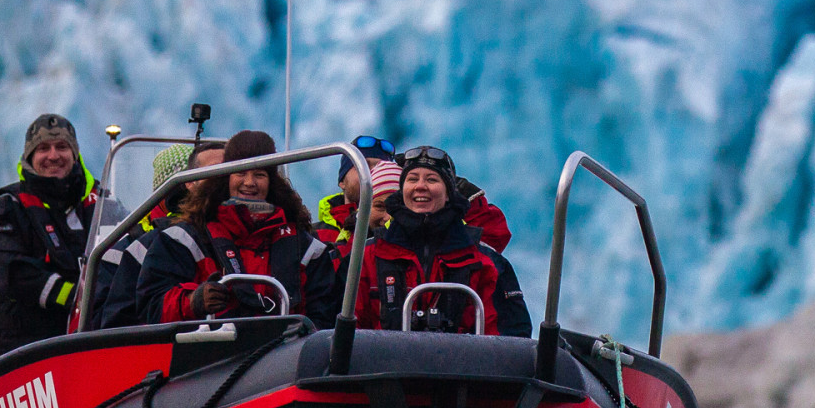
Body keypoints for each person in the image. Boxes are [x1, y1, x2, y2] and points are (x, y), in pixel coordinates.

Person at [102, 129, 339, 328]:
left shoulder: (306, 248)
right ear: (224, 179)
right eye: (240, 172)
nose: (249, 182)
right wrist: (193, 302)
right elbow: (151, 306)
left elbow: (324, 320)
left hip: (283, 368)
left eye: (259, 174)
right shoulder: (185, 239)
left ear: (272, 182)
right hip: (205, 365)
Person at [355, 146, 530, 337]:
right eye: (412, 179)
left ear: (449, 194)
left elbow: (509, 339)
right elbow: (345, 334)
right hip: (384, 366)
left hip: (462, 365)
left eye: (432, 179)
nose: (420, 186)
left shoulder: (485, 263)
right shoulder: (366, 257)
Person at [0, 114, 101, 360]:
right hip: (23, 353)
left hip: (86, 347)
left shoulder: (99, 203)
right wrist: (76, 297)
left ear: (75, 154)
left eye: (62, 147)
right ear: (30, 157)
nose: (53, 156)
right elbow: (10, 272)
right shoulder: (9, 207)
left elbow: (130, 250)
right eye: (43, 148)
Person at [93, 140, 226, 323]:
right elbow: (109, 322)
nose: (188, 200)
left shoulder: (220, 233)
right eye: (179, 192)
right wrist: (191, 302)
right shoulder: (128, 249)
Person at [315, 135, 397, 253]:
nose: (373, 173)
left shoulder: (399, 231)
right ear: (342, 181)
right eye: (363, 166)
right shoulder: (314, 236)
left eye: (381, 167)